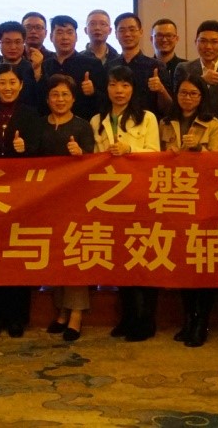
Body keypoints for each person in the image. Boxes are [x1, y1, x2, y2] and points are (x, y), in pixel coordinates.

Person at [90, 66, 160, 341]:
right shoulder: (97, 120)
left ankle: (145, 320)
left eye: (125, 85)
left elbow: (156, 154)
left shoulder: (147, 118)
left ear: (133, 89)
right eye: (113, 85)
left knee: (143, 256)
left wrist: (130, 150)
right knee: (121, 258)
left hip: (140, 195)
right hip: (110, 198)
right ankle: (128, 317)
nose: (119, 91)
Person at [0, 63, 46, 337]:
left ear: (21, 85)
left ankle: (18, 317)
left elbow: (40, 150)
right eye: (2, 83)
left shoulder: (31, 114)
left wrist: (24, 149)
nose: (8, 88)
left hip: (21, 195)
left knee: (18, 253)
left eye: (12, 82)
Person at [161, 74, 218, 347]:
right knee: (184, 261)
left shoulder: (213, 123)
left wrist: (199, 149)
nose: (188, 98)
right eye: (183, 93)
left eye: (193, 94)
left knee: (203, 260)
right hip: (175, 196)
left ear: (202, 97)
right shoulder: (165, 122)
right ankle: (188, 318)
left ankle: (202, 321)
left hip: (204, 196)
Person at [42, 74, 96, 341]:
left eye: (65, 95)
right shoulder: (40, 125)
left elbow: (94, 164)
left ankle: (76, 314)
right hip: (46, 202)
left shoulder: (82, 126)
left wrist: (81, 155)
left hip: (76, 201)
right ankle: (62, 311)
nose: (60, 99)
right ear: (47, 99)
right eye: (55, 95)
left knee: (75, 254)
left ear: (73, 99)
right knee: (55, 255)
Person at [41, 15, 106, 122]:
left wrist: (93, 92)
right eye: (60, 32)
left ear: (76, 37)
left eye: (69, 32)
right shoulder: (45, 65)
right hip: (50, 126)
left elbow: (106, 100)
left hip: (84, 125)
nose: (65, 37)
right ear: (51, 37)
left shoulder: (92, 64)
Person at [175, 20, 218, 113]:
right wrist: (202, 81)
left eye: (214, 42)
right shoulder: (183, 68)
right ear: (196, 42)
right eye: (203, 41)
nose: (208, 46)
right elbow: (177, 102)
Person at [107, 12, 162, 116]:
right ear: (116, 34)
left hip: (147, 122)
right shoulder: (109, 66)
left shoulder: (155, 66)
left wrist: (161, 90)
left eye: (132, 29)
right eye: (122, 30)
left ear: (141, 32)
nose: (127, 34)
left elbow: (169, 106)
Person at [148, 18, 184, 113]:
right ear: (151, 39)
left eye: (169, 35)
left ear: (176, 39)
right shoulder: (144, 66)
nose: (164, 39)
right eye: (159, 35)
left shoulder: (186, 68)